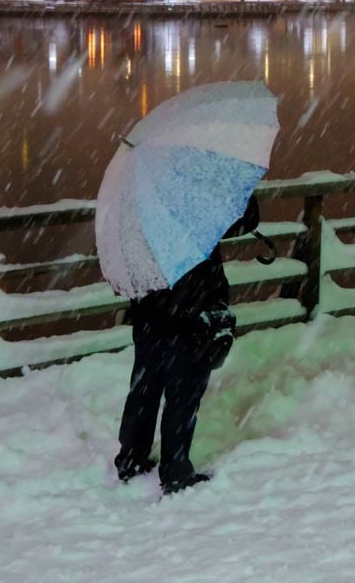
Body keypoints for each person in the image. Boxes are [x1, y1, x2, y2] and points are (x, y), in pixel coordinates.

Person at [114, 196, 261, 495]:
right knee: (183, 393)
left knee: (145, 385)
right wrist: (238, 192)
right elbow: (245, 220)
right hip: (191, 307)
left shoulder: (137, 196)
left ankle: (131, 458)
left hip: (149, 305)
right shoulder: (197, 194)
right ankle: (176, 471)